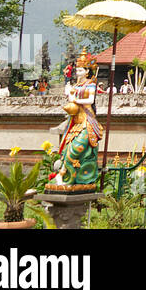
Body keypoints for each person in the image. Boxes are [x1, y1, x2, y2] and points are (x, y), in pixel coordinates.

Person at [50, 53, 102, 191]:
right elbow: (70, 100)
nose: (77, 73)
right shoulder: (76, 85)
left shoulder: (91, 85)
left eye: (80, 70)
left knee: (77, 147)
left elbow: (90, 101)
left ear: (87, 71)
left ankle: (65, 174)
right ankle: (64, 175)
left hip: (87, 120)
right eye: (77, 70)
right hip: (75, 120)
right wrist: (69, 93)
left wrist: (75, 100)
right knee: (67, 147)